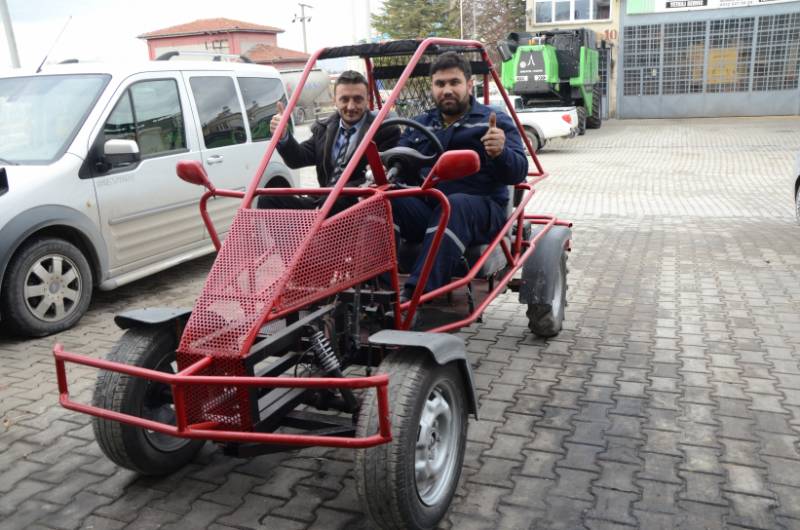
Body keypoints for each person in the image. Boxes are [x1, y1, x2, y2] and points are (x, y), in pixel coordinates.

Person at [391, 51, 529, 300]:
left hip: (481, 211)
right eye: (440, 84)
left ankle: (417, 297)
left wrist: (500, 152)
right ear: (432, 87)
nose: (446, 90)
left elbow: (518, 171)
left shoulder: (493, 122)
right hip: (430, 207)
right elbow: (400, 160)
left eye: (454, 83)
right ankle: (377, 289)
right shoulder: (421, 124)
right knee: (385, 199)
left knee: (454, 205)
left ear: (468, 84)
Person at [257, 70, 399, 213]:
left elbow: (385, 177)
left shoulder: (384, 131)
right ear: (334, 100)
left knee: (335, 200)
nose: (350, 107)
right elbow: (298, 159)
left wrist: (339, 193)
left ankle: (319, 219)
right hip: (324, 202)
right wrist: (283, 135)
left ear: (368, 99)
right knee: (268, 198)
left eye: (357, 99)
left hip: (359, 206)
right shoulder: (324, 129)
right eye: (344, 99)